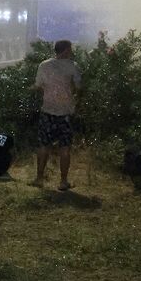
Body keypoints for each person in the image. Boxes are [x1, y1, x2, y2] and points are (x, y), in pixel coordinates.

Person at [32, 39, 82, 191]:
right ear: (66, 50)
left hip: (47, 110)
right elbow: (79, 87)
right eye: (70, 49)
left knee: (43, 145)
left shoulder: (44, 65)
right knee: (65, 148)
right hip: (65, 112)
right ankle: (63, 181)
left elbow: (38, 85)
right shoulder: (72, 66)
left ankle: (39, 179)